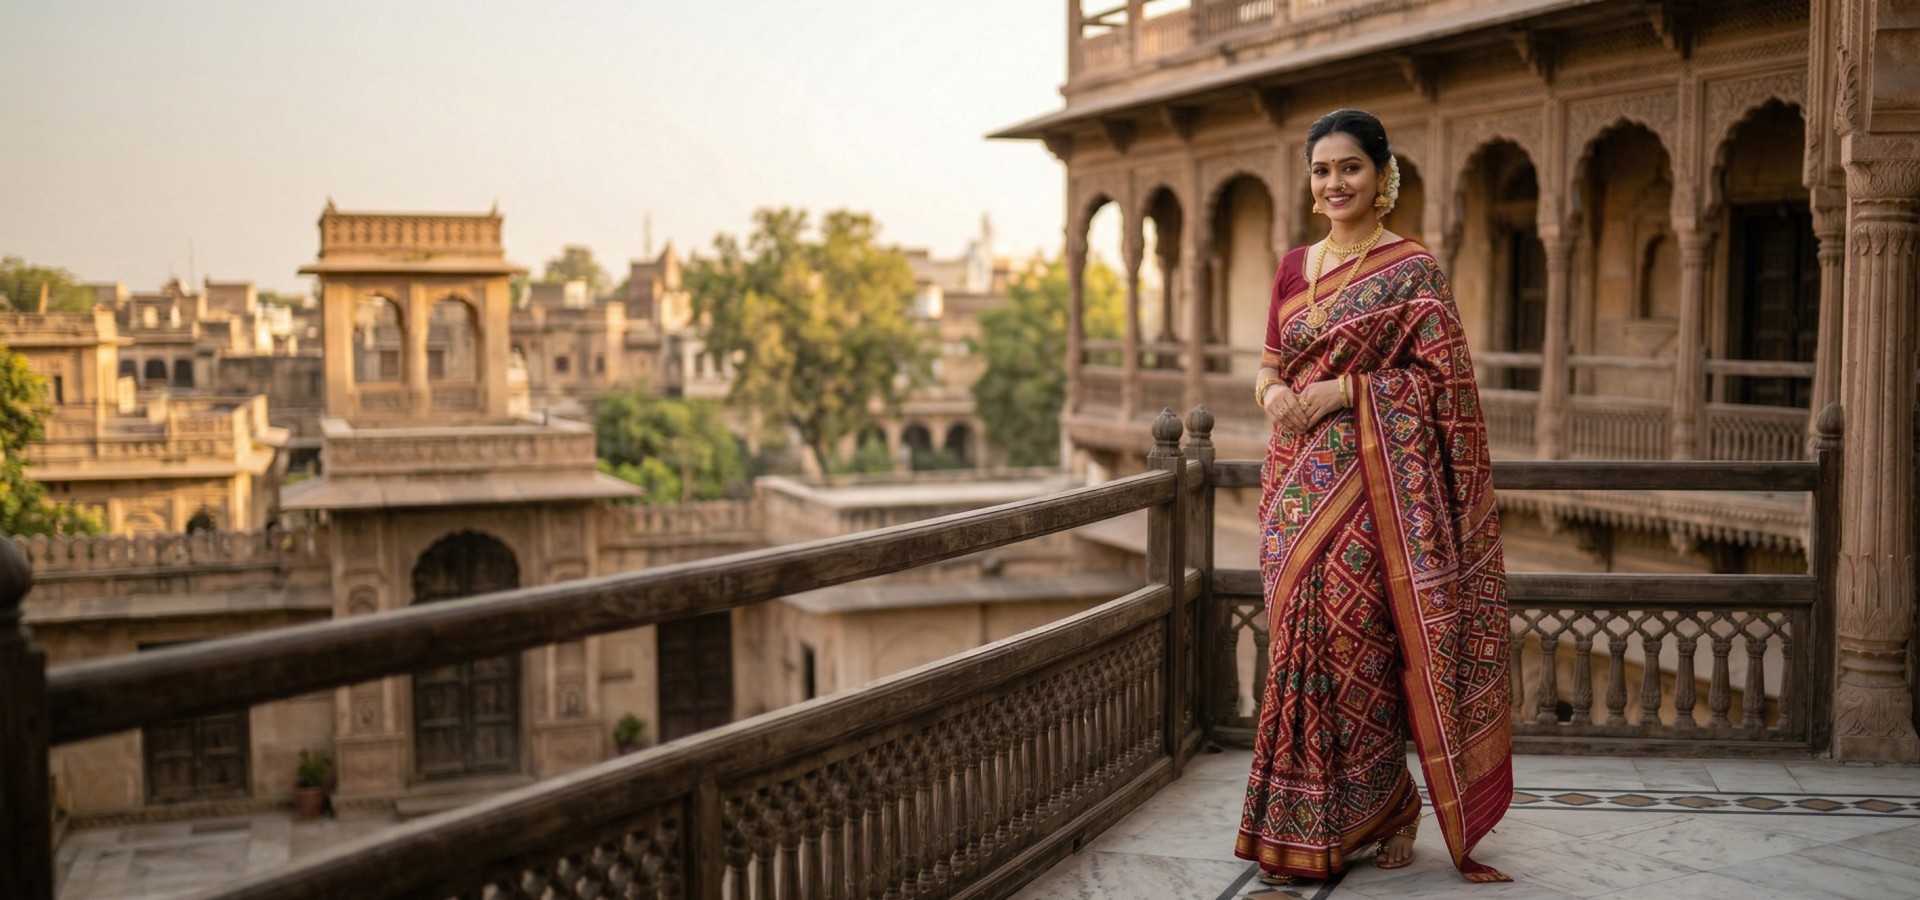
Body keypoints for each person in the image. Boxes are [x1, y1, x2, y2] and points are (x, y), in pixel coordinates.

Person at [1235, 108, 1513, 886]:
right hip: (1292, 489)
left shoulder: (1415, 268)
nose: (1334, 184)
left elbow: (1444, 387)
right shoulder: (1295, 268)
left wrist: (1344, 392)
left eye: (1350, 168)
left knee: (1360, 643)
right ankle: (1307, 819)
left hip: (1376, 491)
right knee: (1296, 648)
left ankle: (1389, 803)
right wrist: (1272, 397)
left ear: (1382, 174)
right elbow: (1266, 364)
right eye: (1321, 170)